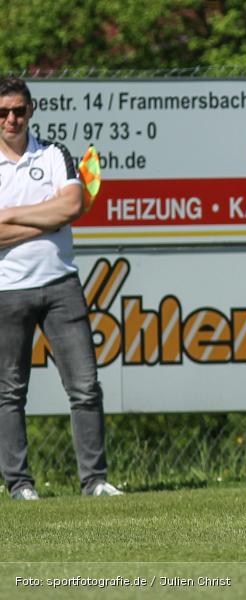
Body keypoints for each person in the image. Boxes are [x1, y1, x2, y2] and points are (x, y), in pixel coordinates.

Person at [0, 77, 122, 499]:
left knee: (85, 387)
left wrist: (12, 215)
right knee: (9, 392)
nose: (11, 119)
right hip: (6, 290)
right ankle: (19, 485)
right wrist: (47, 220)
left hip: (60, 285)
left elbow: (72, 205)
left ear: (32, 110)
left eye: (18, 110)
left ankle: (95, 481)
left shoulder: (55, 154)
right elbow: (58, 213)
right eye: (3, 112)